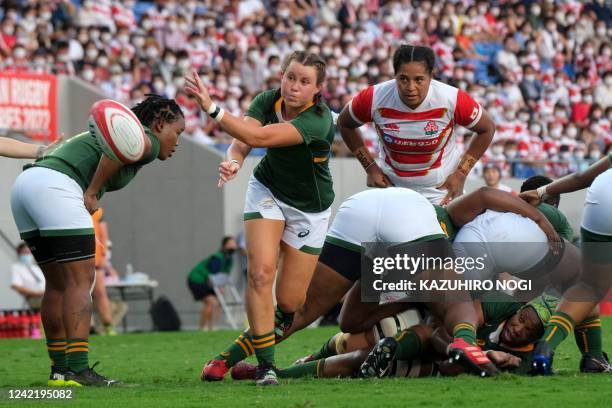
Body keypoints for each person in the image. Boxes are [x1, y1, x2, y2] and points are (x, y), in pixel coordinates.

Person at [10, 94, 185, 387]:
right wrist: (91, 191)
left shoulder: (125, 132)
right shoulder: (148, 140)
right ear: (158, 123)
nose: (177, 142)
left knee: (56, 285)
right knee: (80, 283)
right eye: (177, 132)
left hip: (27, 185)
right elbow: (116, 152)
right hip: (58, 186)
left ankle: (59, 371)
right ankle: (78, 369)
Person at [185, 51, 336, 386]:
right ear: (282, 76)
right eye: (290, 77)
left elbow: (260, 138)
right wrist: (234, 160)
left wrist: (212, 108)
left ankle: (226, 359)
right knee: (259, 274)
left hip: (310, 210)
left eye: (304, 81)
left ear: (318, 89)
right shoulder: (268, 100)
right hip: (267, 191)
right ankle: (266, 367)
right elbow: (244, 140)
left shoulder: (319, 120)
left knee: (290, 304)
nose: (294, 86)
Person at [230, 293, 558, 381]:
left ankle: (283, 372)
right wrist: (478, 353)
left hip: (440, 356)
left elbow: (451, 366)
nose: (518, 329)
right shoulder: (499, 303)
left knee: (361, 358)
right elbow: (446, 329)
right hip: (431, 320)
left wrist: (488, 359)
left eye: (529, 331)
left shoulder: (530, 358)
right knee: (358, 340)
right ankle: (306, 360)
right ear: (518, 310)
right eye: (521, 320)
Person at [337, 45, 495, 205]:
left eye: (419, 79)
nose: (410, 87)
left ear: (431, 76)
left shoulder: (452, 98)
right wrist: (370, 167)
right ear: (394, 75)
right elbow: (345, 124)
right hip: (392, 191)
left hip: (440, 194)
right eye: (403, 79)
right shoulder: (373, 97)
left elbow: (487, 128)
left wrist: (461, 173)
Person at [520, 151, 612, 375]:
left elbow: (582, 177)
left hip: (602, 195)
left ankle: (546, 347)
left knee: (590, 286)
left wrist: (542, 192)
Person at [187, 236, 237, 330]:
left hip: (209, 282)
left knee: (217, 303)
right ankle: (203, 328)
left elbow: (224, 275)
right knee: (211, 302)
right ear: (224, 246)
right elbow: (212, 275)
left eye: (234, 244)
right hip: (197, 280)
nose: (233, 247)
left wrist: (221, 287)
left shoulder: (229, 261)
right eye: (230, 244)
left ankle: (213, 327)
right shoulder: (217, 258)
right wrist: (218, 288)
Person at [91, 208, 117, 336]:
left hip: (95, 259)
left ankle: (108, 326)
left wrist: (104, 255)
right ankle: (85, 327)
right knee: (79, 293)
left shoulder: (97, 210)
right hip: (76, 258)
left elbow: (103, 234)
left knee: (100, 293)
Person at [10, 242, 45, 310]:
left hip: (45, 297)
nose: (28, 255)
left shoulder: (35, 267)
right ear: (19, 254)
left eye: (29, 252)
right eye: (25, 252)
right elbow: (16, 286)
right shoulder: (16, 267)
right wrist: (37, 294)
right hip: (34, 299)